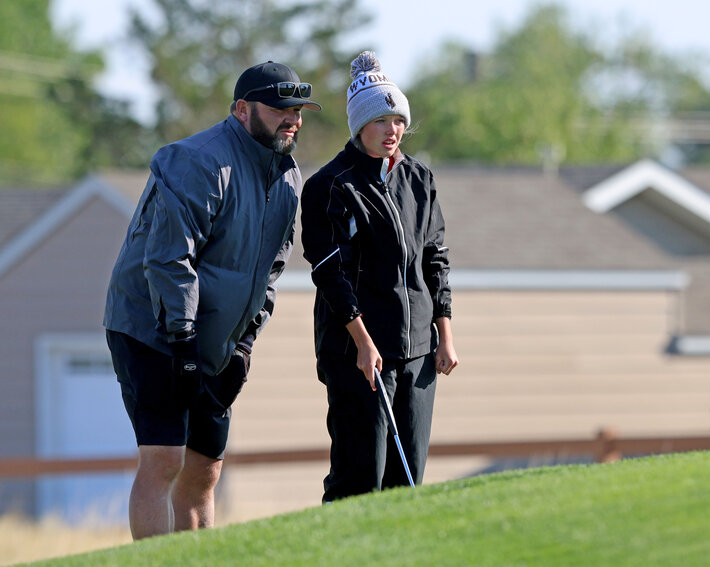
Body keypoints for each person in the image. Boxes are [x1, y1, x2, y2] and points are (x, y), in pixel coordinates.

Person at [103, 61, 321, 539]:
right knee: (164, 461)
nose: (293, 119)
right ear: (242, 110)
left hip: (215, 340)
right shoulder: (198, 160)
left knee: (205, 470)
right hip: (152, 326)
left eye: (298, 110)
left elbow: (271, 269)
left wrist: (243, 344)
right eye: (280, 109)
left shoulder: (288, 177)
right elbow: (167, 259)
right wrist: (182, 341)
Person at [301, 51, 459, 503]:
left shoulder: (419, 179)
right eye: (381, 119)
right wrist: (364, 342)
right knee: (359, 480)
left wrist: (443, 334)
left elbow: (436, 258)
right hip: (357, 353)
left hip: (417, 352)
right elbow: (329, 273)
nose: (393, 129)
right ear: (359, 126)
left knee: (407, 484)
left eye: (398, 119)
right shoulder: (329, 186)